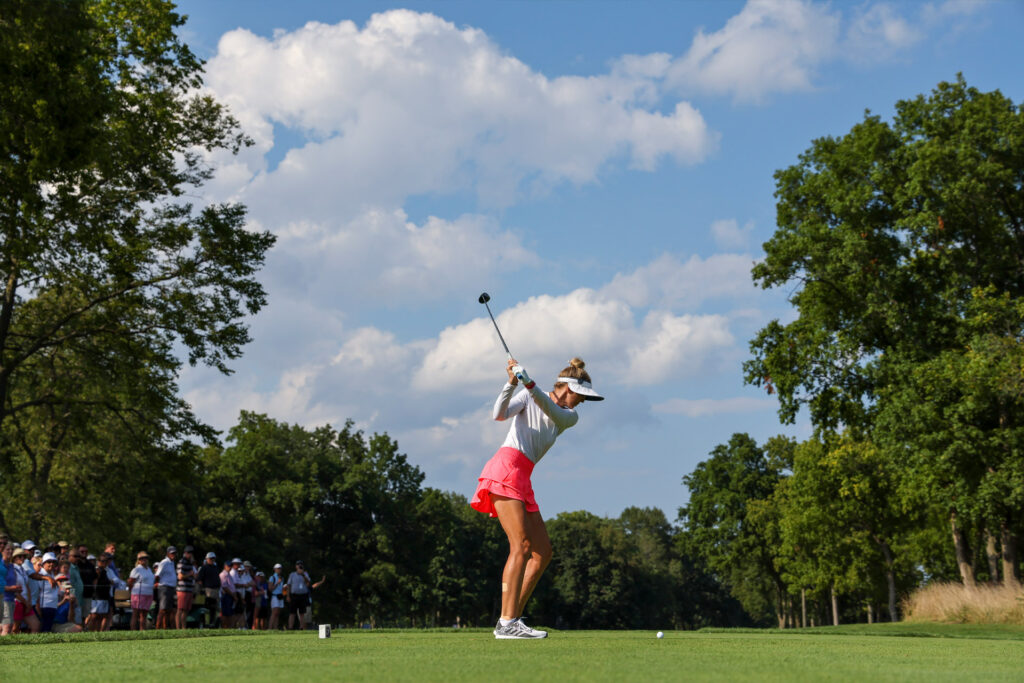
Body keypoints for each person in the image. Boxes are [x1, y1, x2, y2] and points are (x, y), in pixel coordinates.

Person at [470, 357, 602, 639]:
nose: (582, 402)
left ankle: (511, 618)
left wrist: (529, 383)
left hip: (523, 475)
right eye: (581, 395)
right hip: (506, 468)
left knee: (543, 552)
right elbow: (499, 414)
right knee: (521, 546)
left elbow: (547, 405)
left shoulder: (568, 416)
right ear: (569, 387)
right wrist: (511, 384)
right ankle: (507, 623)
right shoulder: (530, 396)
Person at [127, 551, 155, 631]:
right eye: (141, 558)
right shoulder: (137, 569)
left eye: (145, 558)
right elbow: (130, 581)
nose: (144, 560)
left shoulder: (149, 569)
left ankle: (142, 630)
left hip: (148, 594)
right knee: (136, 613)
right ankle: (133, 630)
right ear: (138, 560)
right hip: (138, 593)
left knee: (144, 614)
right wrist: (131, 590)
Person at [87, 553, 114, 631]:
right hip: (97, 597)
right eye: (102, 561)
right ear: (98, 561)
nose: (104, 563)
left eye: (106, 561)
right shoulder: (97, 570)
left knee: (102, 616)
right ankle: (91, 632)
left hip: (105, 596)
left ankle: (99, 633)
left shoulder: (105, 571)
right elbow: (94, 584)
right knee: (94, 616)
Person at [153, 546, 178, 629]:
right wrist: (158, 583)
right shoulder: (164, 562)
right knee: (163, 609)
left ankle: (165, 628)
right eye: (171, 553)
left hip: (170, 588)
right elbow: (157, 575)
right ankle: (158, 628)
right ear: (167, 553)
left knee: (168, 610)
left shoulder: (172, 562)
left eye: (174, 553)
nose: (173, 555)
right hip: (164, 588)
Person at [37, 552, 62, 632]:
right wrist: (38, 609)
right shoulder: (41, 575)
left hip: (52, 606)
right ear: (43, 563)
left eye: (53, 562)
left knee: (48, 628)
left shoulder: (51, 574)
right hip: (44, 607)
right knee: (44, 629)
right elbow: (38, 592)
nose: (51, 564)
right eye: (49, 562)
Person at [195, 552, 221, 627]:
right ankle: (207, 623)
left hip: (216, 590)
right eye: (210, 558)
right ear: (207, 559)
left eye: (213, 558)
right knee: (208, 608)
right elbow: (199, 579)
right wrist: (203, 589)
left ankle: (212, 623)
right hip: (208, 590)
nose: (212, 560)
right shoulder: (204, 568)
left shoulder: (215, 567)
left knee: (214, 608)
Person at [286, 560, 311, 630]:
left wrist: (303, 575)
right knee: (292, 612)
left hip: (303, 596)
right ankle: (290, 627)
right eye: (298, 565)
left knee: (302, 613)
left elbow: (308, 583)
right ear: (296, 566)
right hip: (294, 595)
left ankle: (301, 627)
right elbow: (288, 585)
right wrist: (288, 596)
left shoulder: (305, 574)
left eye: (301, 565)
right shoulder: (292, 574)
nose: (299, 566)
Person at [176, 546, 196, 629]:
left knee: (186, 610)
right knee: (180, 609)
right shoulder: (182, 562)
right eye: (189, 553)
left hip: (189, 589)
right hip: (182, 590)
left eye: (191, 553)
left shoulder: (190, 563)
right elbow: (180, 576)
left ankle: (183, 628)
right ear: (185, 553)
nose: (190, 555)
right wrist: (190, 574)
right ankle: (178, 628)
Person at [218, 560, 238, 629]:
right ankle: (225, 627)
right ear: (225, 566)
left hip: (231, 596)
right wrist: (233, 595)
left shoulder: (229, 575)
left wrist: (234, 596)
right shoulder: (223, 574)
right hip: (226, 596)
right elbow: (225, 587)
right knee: (225, 614)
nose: (230, 567)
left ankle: (229, 627)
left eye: (230, 566)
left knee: (230, 613)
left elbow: (232, 587)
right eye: (228, 566)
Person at [267, 563, 285, 630]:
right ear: (274, 569)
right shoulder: (272, 577)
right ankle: (270, 628)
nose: (279, 570)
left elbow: (281, 588)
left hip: (280, 596)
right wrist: (277, 583)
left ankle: (275, 628)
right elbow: (270, 588)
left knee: (277, 613)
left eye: (280, 569)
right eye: (278, 569)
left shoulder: (282, 578)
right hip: (275, 596)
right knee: (274, 613)